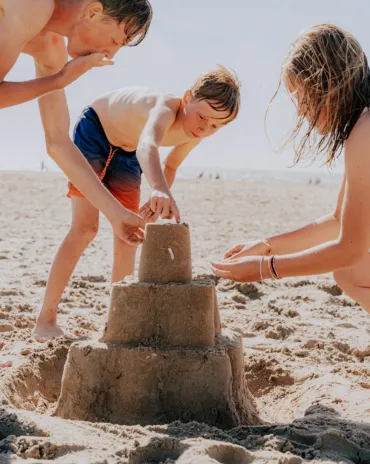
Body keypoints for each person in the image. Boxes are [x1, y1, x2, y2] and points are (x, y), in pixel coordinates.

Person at [33, 65, 241, 342]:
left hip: (128, 153)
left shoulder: (196, 134)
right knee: (85, 228)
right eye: (202, 116)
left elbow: (171, 165)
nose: (205, 127)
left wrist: (158, 198)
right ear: (188, 96)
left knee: (129, 235)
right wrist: (157, 187)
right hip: (96, 130)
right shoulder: (166, 108)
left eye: (216, 125)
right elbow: (148, 145)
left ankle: (116, 321)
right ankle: (45, 320)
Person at [211, 24, 370, 314]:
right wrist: (266, 246)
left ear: (328, 84)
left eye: (301, 96)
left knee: (351, 269)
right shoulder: (362, 124)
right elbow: (338, 221)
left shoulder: (365, 131)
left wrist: (266, 268)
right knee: (351, 273)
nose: (300, 110)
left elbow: (351, 248)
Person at [0, 0, 152, 245]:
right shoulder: (34, 6)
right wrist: (58, 80)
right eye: (115, 42)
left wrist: (116, 214)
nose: (111, 54)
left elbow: (58, 143)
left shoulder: (50, 48)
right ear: (93, 11)